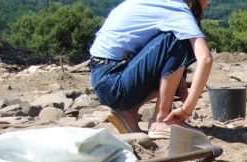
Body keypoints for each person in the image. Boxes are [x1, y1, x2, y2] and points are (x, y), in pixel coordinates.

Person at [89, 0, 213, 139]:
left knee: (180, 43)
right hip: (113, 83)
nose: (209, 2)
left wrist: (178, 77)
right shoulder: (176, 8)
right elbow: (205, 59)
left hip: (105, 77)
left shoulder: (163, 3)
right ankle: (161, 120)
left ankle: (128, 111)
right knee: (180, 40)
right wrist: (187, 109)